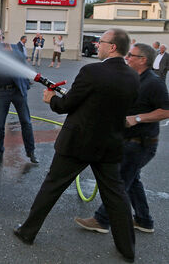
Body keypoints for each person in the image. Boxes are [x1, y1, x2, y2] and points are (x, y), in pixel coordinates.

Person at [13, 28, 139, 263]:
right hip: (110, 145)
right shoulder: (132, 76)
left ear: (112, 47)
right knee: (116, 196)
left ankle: (27, 232)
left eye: (101, 42)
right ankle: (127, 249)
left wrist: (52, 99)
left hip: (78, 144)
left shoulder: (92, 71)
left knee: (52, 187)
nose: (97, 46)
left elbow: (66, 105)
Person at [75, 42, 169, 235]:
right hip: (126, 140)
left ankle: (102, 220)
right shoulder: (133, 79)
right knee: (132, 181)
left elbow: (166, 111)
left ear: (143, 60)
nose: (127, 58)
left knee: (119, 183)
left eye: (131, 56)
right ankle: (144, 220)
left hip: (141, 144)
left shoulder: (154, 83)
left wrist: (137, 118)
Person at [0, 28, 37, 163]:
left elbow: (22, 60)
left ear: (2, 36)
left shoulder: (13, 47)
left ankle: (31, 152)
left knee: (26, 121)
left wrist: (10, 52)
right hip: (1, 91)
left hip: (17, 91)